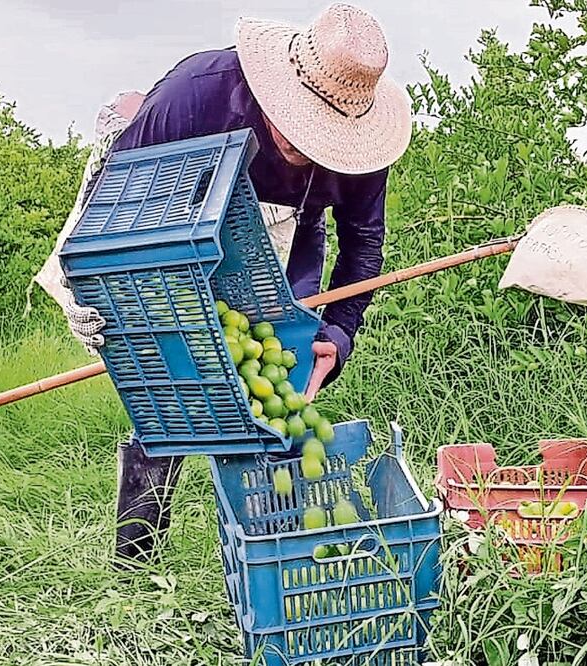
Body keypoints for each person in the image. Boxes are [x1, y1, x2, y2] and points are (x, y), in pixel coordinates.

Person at [31, 3, 412, 568]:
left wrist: (340, 331)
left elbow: (363, 246)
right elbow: (114, 208)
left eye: (322, 139)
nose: (306, 148)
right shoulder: (198, 93)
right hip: (163, 210)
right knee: (169, 386)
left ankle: (277, 554)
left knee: (278, 379)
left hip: (286, 227)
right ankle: (135, 567)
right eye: (299, 129)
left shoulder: (360, 150)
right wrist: (95, 293)